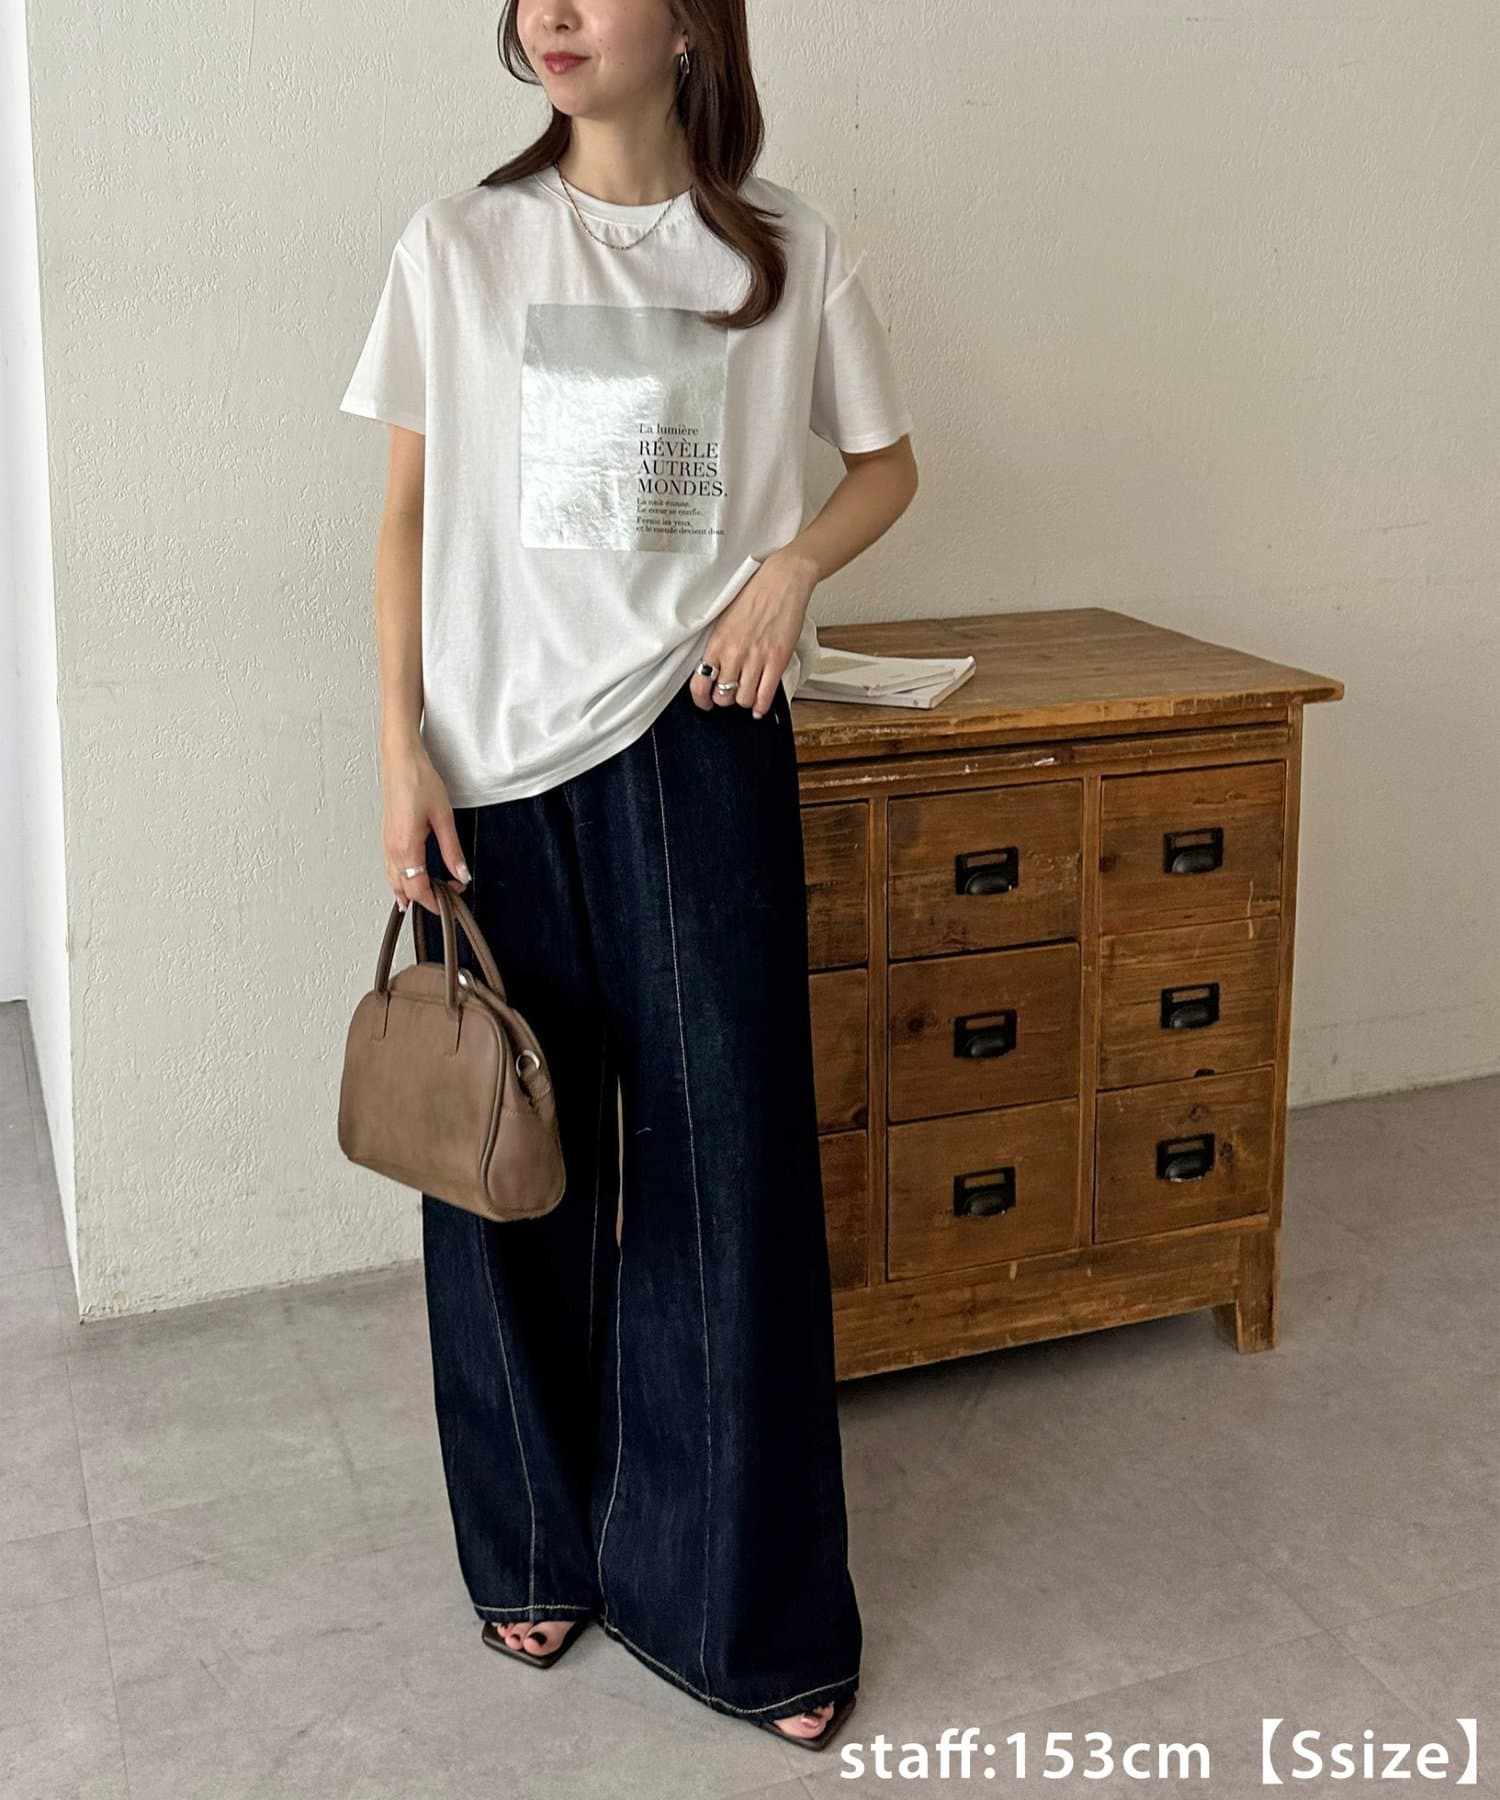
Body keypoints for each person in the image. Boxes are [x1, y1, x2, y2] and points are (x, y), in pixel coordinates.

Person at [337, 0, 918, 1754]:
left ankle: (741, 1607)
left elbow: (887, 465)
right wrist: (396, 747)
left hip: (698, 742)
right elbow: (405, 516)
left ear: (690, 24)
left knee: (724, 1181)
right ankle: (531, 1541)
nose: (554, 12)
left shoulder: (784, 248)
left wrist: (789, 571)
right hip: (492, 768)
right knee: (501, 1157)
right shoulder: (460, 243)